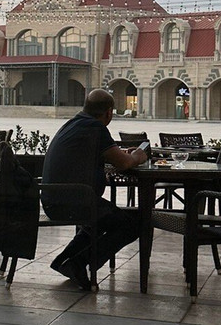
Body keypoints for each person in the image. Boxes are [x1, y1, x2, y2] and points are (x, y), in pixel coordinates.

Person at [41, 88, 148, 290]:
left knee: (104, 219)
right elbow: (124, 163)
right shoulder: (95, 127)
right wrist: (139, 156)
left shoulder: (75, 124)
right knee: (132, 225)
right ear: (108, 112)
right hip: (70, 202)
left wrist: (117, 155)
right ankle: (78, 263)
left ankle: (65, 260)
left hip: (54, 199)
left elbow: (101, 156)